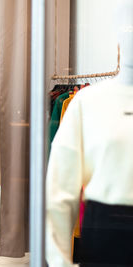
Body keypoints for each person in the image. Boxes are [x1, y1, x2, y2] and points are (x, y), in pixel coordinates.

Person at [46, 1, 133, 266]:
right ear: (119, 45)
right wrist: (58, 259)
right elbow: (61, 191)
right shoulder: (88, 102)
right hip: (107, 228)